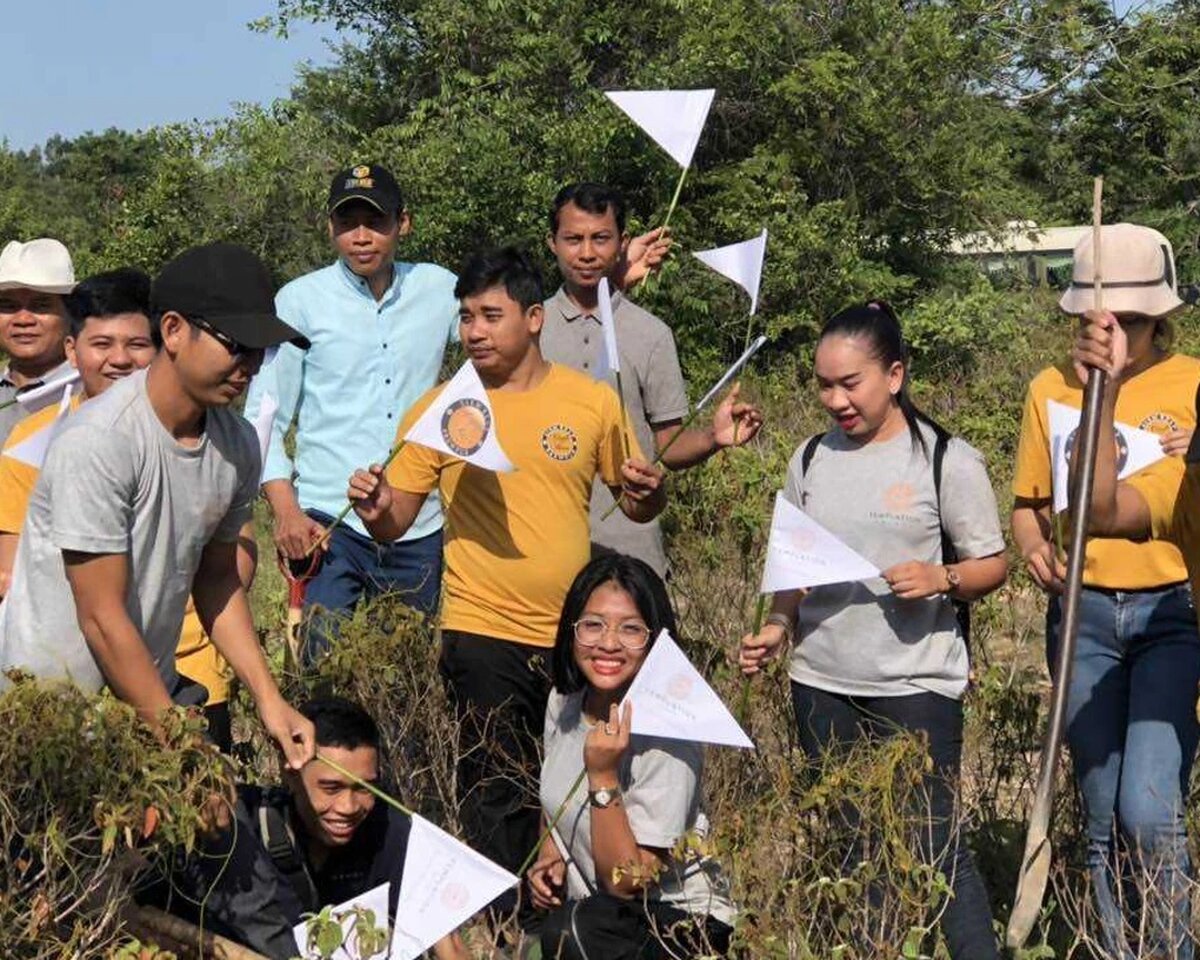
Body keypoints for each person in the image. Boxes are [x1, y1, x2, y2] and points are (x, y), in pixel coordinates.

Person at [347, 246, 672, 906]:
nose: (474, 331)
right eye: (465, 317)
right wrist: (375, 505)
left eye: (490, 316)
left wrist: (651, 489)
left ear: (532, 319)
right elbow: (395, 518)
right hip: (480, 629)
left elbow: (635, 496)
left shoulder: (590, 402)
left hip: (576, 642)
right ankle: (505, 917)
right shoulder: (442, 408)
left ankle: (576, 906)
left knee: (567, 775)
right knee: (494, 784)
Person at [738, 301, 1007, 958]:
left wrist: (940, 578)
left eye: (849, 383)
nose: (836, 400)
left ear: (893, 374)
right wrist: (778, 627)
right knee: (852, 847)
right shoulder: (809, 460)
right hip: (821, 681)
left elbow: (993, 564)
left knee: (934, 843)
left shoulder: (946, 460)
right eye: (824, 385)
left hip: (914, 684)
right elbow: (791, 565)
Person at [0, 242, 314, 769]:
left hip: (147, 696)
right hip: (56, 719)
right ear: (172, 331)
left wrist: (270, 699)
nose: (250, 366)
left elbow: (216, 580)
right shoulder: (100, 441)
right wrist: (177, 746)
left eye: (261, 350)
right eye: (236, 344)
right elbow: (101, 617)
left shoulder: (235, 445)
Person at [1050, 224, 1200, 960]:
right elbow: (1083, 511)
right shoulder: (1055, 387)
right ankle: (1116, 947)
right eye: (1105, 322)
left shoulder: (1194, 385)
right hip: (1085, 616)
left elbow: (1134, 512)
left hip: (1172, 612)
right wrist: (1097, 397)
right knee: (1103, 811)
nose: (1118, 335)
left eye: (1134, 322)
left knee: (1148, 808)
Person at [245, 164, 457, 658]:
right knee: (321, 674)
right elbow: (265, 415)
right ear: (331, 228)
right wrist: (287, 512)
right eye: (347, 224)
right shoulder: (299, 301)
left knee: (406, 680)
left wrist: (608, 282)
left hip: (415, 520)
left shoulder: (439, 289)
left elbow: (503, 332)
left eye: (375, 222)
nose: (360, 237)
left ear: (403, 223)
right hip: (328, 524)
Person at [542, 182, 764, 575]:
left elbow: (667, 448)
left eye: (601, 238)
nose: (588, 252)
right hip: (542, 547)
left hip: (629, 547)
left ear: (622, 243)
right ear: (552, 243)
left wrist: (714, 438)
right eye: (573, 239)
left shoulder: (651, 334)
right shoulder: (529, 328)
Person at [531, 553, 736, 959]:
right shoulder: (564, 703)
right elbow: (553, 799)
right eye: (592, 625)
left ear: (656, 640)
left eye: (630, 629)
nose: (608, 643)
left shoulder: (670, 736)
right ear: (571, 630)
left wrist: (603, 776)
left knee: (570, 934)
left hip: (679, 920)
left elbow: (629, 882)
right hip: (598, 913)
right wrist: (549, 858)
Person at [167, 696, 467, 960]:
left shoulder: (392, 829)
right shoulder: (240, 830)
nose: (349, 807)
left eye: (364, 788)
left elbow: (449, 944)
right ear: (291, 774)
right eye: (330, 787)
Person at [0, 238, 79, 446]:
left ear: (69, 312)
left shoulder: (92, 393)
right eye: (8, 306)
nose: (23, 320)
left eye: (40, 305)